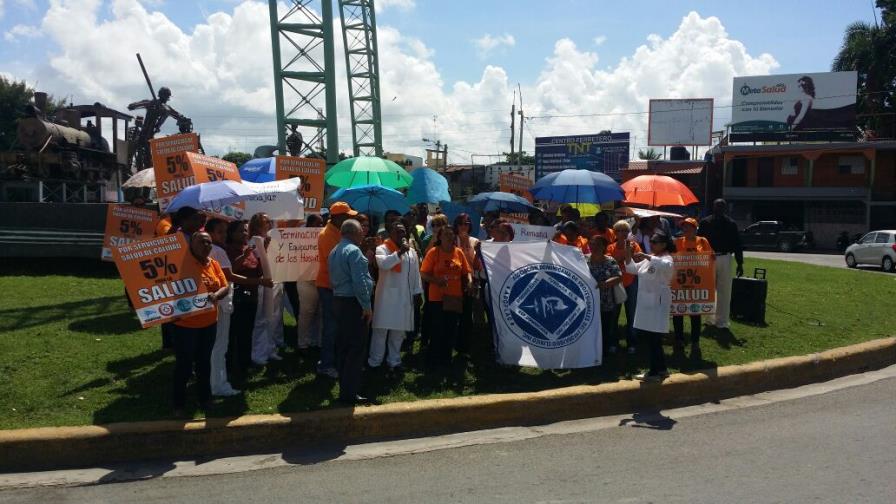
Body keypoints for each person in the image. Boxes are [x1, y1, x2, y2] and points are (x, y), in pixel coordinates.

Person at [171, 232, 230, 416]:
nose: (206, 245)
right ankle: (178, 404)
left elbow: (225, 285)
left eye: (209, 242)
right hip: (185, 325)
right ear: (191, 245)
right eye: (201, 242)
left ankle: (205, 399)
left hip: (209, 322)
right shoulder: (180, 264)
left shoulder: (213, 264)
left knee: (204, 363)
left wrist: (216, 295)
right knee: (184, 365)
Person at [329, 219, 375, 405]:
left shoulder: (335, 250)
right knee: (356, 349)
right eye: (360, 232)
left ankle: (345, 389)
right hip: (353, 304)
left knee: (344, 348)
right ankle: (350, 393)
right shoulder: (354, 251)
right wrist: (366, 306)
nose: (363, 234)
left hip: (339, 301)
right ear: (353, 233)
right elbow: (360, 282)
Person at [369, 223, 423, 371]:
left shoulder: (411, 252)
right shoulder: (382, 248)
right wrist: (399, 253)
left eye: (403, 232)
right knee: (381, 331)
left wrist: (417, 292)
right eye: (398, 232)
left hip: (404, 297)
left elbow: (415, 273)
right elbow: (383, 265)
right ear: (390, 233)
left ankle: (394, 360)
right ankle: (375, 362)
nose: (401, 235)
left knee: (398, 332)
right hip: (386, 297)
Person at [224, 220, 272, 386]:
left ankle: (244, 365)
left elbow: (258, 270)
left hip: (251, 297)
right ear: (231, 234)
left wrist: (263, 251)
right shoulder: (227, 250)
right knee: (234, 334)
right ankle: (229, 368)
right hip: (237, 297)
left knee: (246, 332)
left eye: (245, 231)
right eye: (240, 231)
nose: (244, 234)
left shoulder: (248, 249)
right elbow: (229, 271)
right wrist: (243, 257)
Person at [624, 231, 676, 381]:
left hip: (658, 303)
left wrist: (647, 256)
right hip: (647, 302)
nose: (651, 244)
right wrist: (628, 249)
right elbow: (631, 268)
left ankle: (653, 372)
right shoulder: (650, 259)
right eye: (651, 241)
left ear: (664, 244)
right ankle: (662, 370)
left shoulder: (666, 258)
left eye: (654, 242)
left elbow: (666, 266)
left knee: (654, 338)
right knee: (652, 338)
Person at [420, 225, 473, 367]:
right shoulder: (433, 252)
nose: (450, 237)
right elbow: (423, 273)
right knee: (437, 328)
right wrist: (436, 280)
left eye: (451, 235)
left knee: (451, 328)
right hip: (437, 297)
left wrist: (469, 281)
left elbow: (466, 271)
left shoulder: (459, 252)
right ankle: (433, 360)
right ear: (440, 237)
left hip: (454, 297)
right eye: (446, 235)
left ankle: (446, 358)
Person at [316, 202, 358, 378]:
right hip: (329, 287)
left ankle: (333, 360)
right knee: (331, 328)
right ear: (338, 218)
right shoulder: (327, 235)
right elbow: (336, 262)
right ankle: (326, 365)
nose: (350, 219)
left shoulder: (336, 233)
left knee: (337, 327)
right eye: (347, 216)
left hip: (335, 286)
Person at [205, 218, 240, 397]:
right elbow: (229, 277)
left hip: (213, 303)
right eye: (219, 232)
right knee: (220, 346)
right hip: (221, 303)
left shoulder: (207, 250)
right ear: (209, 233)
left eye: (225, 231)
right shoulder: (217, 251)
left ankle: (213, 382)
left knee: (214, 345)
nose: (224, 235)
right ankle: (219, 385)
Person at [698, 199, 744, 329]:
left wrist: (740, 263)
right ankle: (710, 318)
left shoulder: (731, 224)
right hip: (708, 259)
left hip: (725, 257)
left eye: (722, 206)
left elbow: (737, 244)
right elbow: (699, 242)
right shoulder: (705, 222)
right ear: (713, 207)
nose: (719, 208)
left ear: (725, 208)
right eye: (717, 206)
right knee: (709, 289)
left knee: (725, 290)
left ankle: (722, 321)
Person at [673, 218, 713, 353]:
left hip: (698, 284)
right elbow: (671, 258)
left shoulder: (703, 241)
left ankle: (695, 342)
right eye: (684, 227)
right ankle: (679, 340)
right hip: (680, 284)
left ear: (696, 229)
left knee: (695, 313)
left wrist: (712, 258)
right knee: (678, 312)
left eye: (689, 227)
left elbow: (710, 257)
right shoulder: (677, 242)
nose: (686, 229)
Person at [248, 213, 283, 366]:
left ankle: (271, 349)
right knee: (261, 318)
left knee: (273, 317)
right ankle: (258, 354)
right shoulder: (253, 241)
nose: (268, 224)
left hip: (275, 280)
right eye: (265, 222)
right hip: (261, 284)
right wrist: (266, 246)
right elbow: (257, 263)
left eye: (269, 221)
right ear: (256, 225)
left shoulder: (271, 238)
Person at [588, 236, 624, 355]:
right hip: (588, 302)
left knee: (606, 326)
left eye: (598, 244)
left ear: (603, 246)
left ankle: (605, 350)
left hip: (606, 300)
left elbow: (618, 276)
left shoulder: (610, 260)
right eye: (592, 244)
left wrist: (605, 283)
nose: (594, 247)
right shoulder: (583, 259)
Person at [453, 213, 481, 353]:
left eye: (467, 223)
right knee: (453, 313)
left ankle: (464, 346)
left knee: (467, 314)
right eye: (461, 223)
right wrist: (461, 244)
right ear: (456, 225)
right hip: (454, 281)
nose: (464, 226)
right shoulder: (452, 240)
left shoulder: (475, 241)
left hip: (470, 281)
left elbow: (476, 266)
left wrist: (471, 248)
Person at [297, 214, 324, 350]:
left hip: (321, 280)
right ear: (309, 224)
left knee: (320, 313)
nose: (320, 227)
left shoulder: (324, 237)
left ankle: (317, 342)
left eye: (321, 224)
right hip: (306, 281)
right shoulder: (299, 239)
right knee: (307, 313)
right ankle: (303, 344)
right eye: (317, 224)